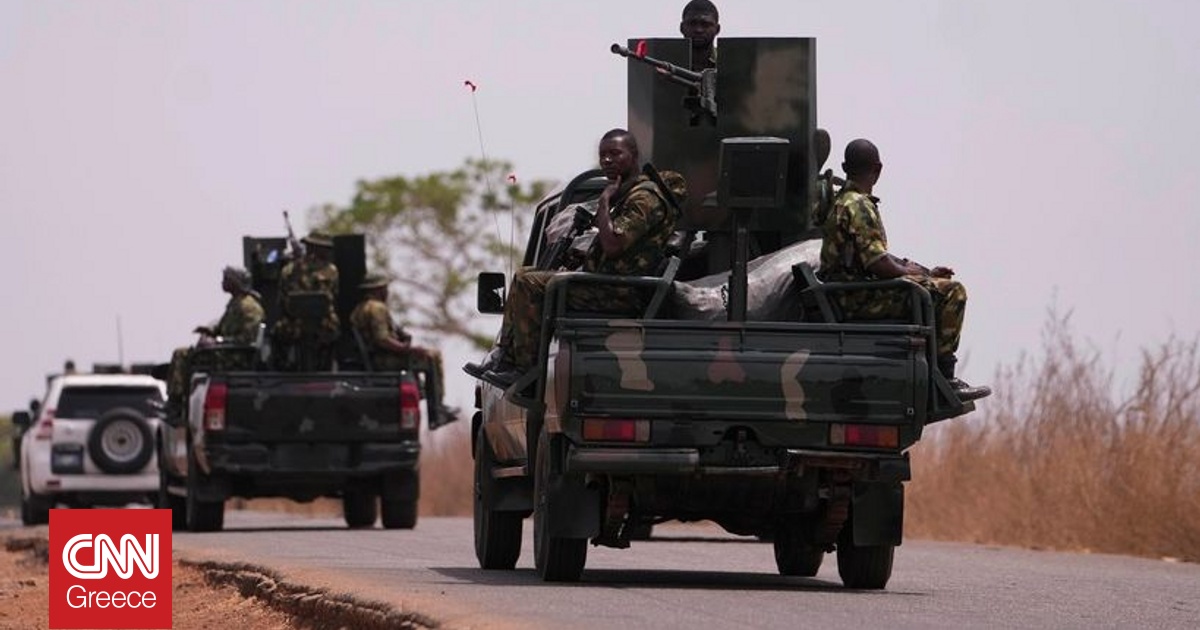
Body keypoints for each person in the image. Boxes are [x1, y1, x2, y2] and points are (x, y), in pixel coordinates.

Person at [465, 129, 683, 387]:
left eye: (615, 154)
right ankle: (504, 358)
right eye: (603, 155)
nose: (607, 160)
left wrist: (604, 202)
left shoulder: (644, 197)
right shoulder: (630, 193)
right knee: (525, 274)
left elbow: (614, 245)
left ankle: (523, 370)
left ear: (634, 155)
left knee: (529, 283)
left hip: (619, 291)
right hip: (608, 283)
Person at [817, 139, 990, 401]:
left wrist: (926, 273)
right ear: (878, 169)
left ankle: (934, 373)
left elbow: (878, 258)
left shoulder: (842, 202)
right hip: (859, 300)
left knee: (931, 287)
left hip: (849, 296)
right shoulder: (858, 206)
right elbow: (879, 264)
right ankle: (945, 377)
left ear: (844, 167)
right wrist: (912, 276)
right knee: (952, 292)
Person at [350, 273, 459, 423]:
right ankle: (438, 410)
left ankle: (424, 393)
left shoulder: (359, 309)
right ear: (378, 290)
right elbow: (382, 340)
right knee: (432, 356)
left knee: (423, 356)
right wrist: (407, 349)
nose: (387, 292)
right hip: (384, 360)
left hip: (377, 358)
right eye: (385, 288)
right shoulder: (377, 308)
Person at [166, 266, 266, 409]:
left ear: (235, 282)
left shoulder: (249, 307)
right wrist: (209, 331)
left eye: (226, 279)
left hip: (235, 357)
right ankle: (179, 401)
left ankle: (175, 403)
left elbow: (247, 339)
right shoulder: (235, 303)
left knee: (182, 355)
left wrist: (217, 342)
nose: (222, 282)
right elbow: (223, 328)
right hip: (225, 352)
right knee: (186, 353)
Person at [274, 230, 340, 370]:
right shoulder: (330, 271)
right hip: (314, 325)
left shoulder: (289, 270)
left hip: (305, 325)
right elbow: (333, 297)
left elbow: (281, 301)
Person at [680, 0, 720, 71]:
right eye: (692, 24)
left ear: (717, 29)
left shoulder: (728, 61)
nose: (698, 30)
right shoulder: (667, 61)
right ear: (682, 28)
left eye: (705, 24)